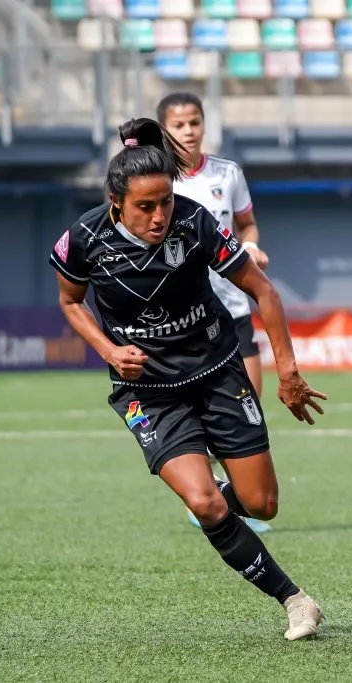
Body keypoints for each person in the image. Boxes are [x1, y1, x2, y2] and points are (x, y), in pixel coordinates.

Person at [49, 117, 326, 641]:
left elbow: (264, 291)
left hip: (217, 372)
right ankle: (295, 599)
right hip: (147, 394)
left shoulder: (195, 223)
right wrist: (109, 349)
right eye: (145, 207)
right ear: (115, 202)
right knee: (203, 503)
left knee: (263, 503)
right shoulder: (84, 238)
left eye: (166, 202)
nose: (159, 216)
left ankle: (224, 494)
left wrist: (288, 370)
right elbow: (70, 300)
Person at [156, 92, 273, 533]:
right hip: (187, 314)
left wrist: (253, 245)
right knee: (194, 415)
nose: (188, 131)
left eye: (194, 122)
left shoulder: (228, 173)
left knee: (248, 407)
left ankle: (233, 497)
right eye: (179, 124)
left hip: (235, 305)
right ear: (164, 128)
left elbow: (247, 225)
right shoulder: (160, 180)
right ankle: (204, 497)